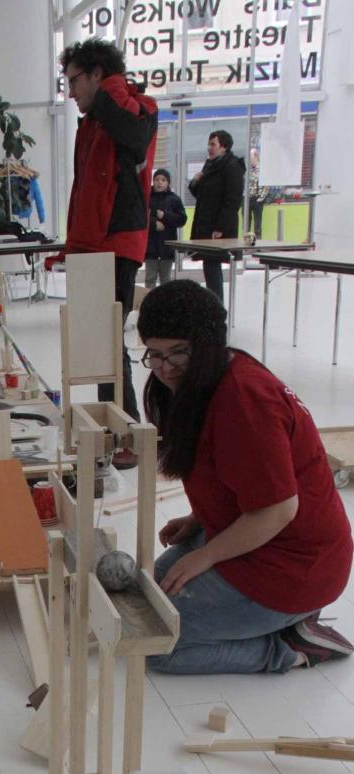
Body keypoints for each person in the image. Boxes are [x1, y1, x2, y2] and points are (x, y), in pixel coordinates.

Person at [138, 280, 353, 675]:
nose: (165, 368)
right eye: (154, 354)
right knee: (147, 600)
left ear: (207, 346)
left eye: (177, 353)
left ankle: (291, 647)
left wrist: (206, 554)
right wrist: (200, 518)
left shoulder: (245, 399)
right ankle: (272, 623)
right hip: (252, 540)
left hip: (293, 567)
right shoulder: (205, 381)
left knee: (156, 645)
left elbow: (277, 510)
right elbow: (233, 476)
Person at [52, 38, 158, 467]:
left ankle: (127, 432)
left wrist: (111, 89)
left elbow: (134, 134)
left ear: (97, 74)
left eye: (74, 81)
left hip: (115, 245)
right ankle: (116, 429)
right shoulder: (92, 121)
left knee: (109, 343)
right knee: (98, 344)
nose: (71, 91)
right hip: (92, 246)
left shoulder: (135, 107)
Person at [188, 130, 245, 304]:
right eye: (209, 144)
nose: (209, 148)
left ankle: (216, 308)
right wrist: (194, 182)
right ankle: (214, 305)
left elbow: (233, 200)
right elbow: (203, 196)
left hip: (218, 227)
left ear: (224, 147)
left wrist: (221, 227)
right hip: (206, 223)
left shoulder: (232, 167)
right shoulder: (210, 165)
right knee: (209, 265)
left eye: (213, 144)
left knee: (213, 266)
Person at [145, 168, 187, 291]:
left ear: (168, 182)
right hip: (150, 248)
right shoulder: (147, 198)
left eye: (163, 180)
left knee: (166, 279)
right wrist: (154, 223)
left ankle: (165, 304)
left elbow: (182, 219)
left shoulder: (174, 199)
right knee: (150, 278)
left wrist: (165, 216)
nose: (159, 183)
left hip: (166, 248)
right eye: (157, 179)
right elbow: (141, 217)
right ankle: (150, 302)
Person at [247, 147, 270, 239]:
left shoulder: (262, 169)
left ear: (256, 157)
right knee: (246, 222)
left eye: (251, 156)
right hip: (248, 198)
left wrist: (260, 198)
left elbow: (266, 186)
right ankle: (246, 242)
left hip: (257, 199)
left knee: (257, 223)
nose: (249, 159)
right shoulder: (247, 169)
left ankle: (258, 242)